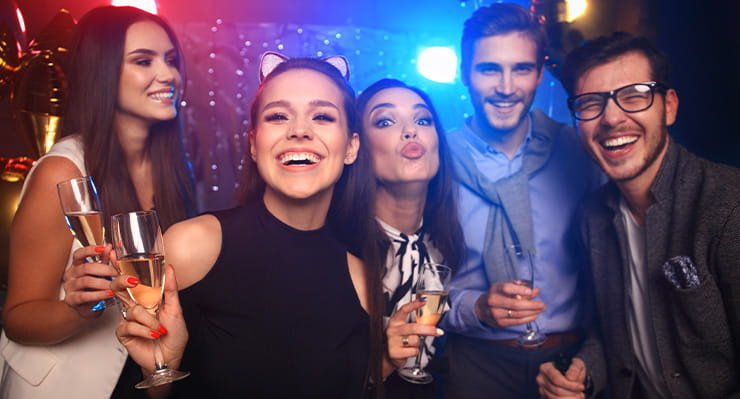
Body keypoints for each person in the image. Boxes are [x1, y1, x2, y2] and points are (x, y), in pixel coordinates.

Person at [113, 53, 389, 398]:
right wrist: (160, 375)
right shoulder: (193, 245)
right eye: (277, 116)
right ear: (254, 145)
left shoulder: (364, 281)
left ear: (351, 147)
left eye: (322, 116)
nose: (299, 131)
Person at [0, 6, 196, 399]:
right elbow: (18, 319)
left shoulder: (176, 168)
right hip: (64, 386)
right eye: (144, 60)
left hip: (142, 375)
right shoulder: (62, 172)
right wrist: (77, 308)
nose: (168, 74)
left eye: (171, 60)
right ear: (101, 72)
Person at [537, 31, 740, 399]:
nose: (612, 118)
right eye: (590, 103)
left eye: (633, 95)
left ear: (670, 106)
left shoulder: (729, 206)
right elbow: (611, 332)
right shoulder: (592, 217)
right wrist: (584, 370)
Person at [439, 3, 604, 398]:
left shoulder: (580, 152)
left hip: (567, 361)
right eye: (489, 69)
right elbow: (409, 282)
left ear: (540, 74)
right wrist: (475, 308)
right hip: (474, 363)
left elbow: (615, 273)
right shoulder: (434, 161)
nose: (506, 87)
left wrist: (592, 364)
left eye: (522, 69)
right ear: (465, 74)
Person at [355, 79, 463, 397]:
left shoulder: (443, 242)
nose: (410, 131)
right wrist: (385, 359)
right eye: (386, 121)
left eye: (422, 120)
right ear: (355, 147)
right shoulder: (338, 252)